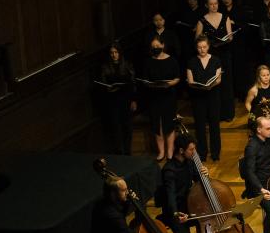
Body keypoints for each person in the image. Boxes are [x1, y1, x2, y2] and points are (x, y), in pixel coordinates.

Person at [238, 114, 270, 233]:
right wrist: (261, 189)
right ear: (259, 130)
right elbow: (249, 172)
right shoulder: (251, 147)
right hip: (257, 187)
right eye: (268, 128)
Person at [140, 35, 181, 163]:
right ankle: (161, 151)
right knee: (157, 125)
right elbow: (145, 80)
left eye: (158, 46)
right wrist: (150, 84)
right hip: (154, 97)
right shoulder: (148, 61)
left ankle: (170, 151)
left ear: (163, 45)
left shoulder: (172, 60)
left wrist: (168, 84)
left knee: (169, 124)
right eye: (153, 47)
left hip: (168, 95)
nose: (156, 48)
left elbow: (177, 78)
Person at [183, 36, 223, 161]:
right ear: (196, 48)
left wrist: (210, 86)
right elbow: (190, 81)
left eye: (204, 47)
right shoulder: (192, 61)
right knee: (200, 126)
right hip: (198, 96)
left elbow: (218, 79)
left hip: (213, 95)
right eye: (199, 47)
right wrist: (200, 87)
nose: (202, 49)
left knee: (214, 125)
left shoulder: (216, 60)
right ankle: (202, 153)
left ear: (208, 46)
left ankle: (215, 153)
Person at [94, 42, 138, 153]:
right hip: (112, 101)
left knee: (127, 126)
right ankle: (119, 152)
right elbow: (103, 84)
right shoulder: (105, 67)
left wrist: (133, 100)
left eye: (116, 52)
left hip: (126, 99)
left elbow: (133, 83)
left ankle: (128, 151)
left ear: (120, 53)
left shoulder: (127, 65)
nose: (114, 55)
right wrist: (108, 88)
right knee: (116, 127)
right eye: (112, 53)